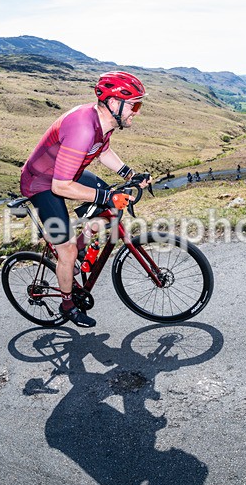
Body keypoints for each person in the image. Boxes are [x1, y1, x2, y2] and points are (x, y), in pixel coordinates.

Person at [19, 71, 151, 328]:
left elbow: (102, 150)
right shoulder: (82, 127)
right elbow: (60, 186)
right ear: (114, 103)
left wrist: (130, 174)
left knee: (112, 208)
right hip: (42, 183)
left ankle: (81, 244)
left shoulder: (105, 123)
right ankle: (67, 304)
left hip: (70, 173)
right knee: (66, 249)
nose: (137, 111)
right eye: (134, 104)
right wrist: (105, 194)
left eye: (139, 104)